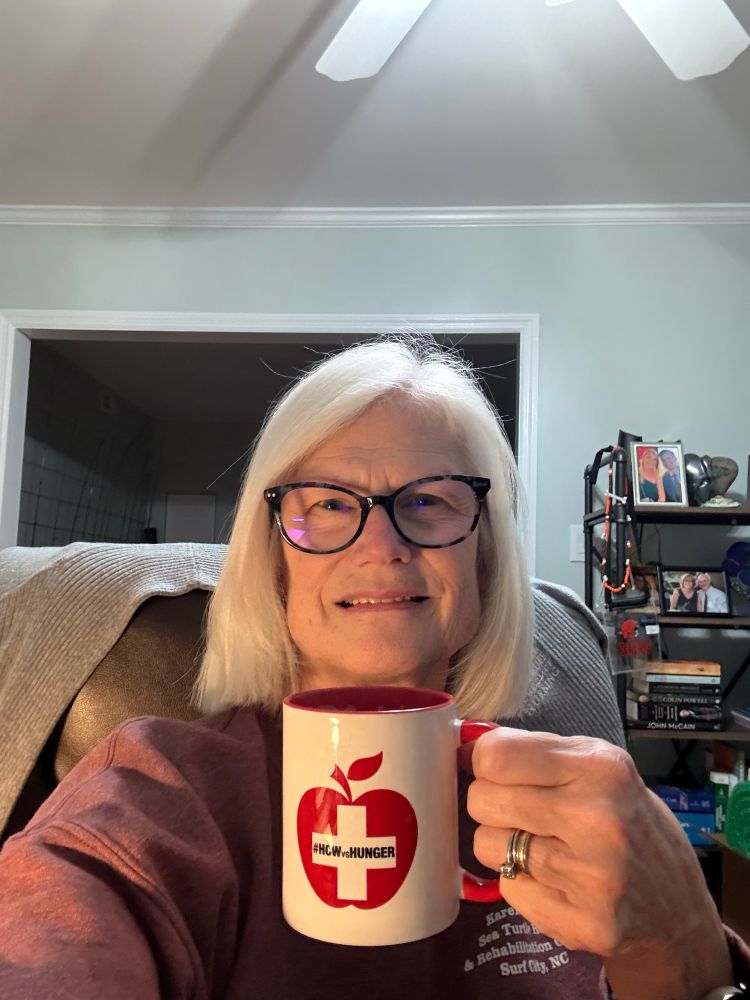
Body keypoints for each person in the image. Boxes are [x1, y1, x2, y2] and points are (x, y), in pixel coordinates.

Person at [0, 336, 747, 1000]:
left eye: (429, 501)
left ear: (485, 558)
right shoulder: (156, 792)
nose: (382, 546)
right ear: (274, 561)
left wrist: (683, 941)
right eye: (328, 504)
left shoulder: (574, 792)